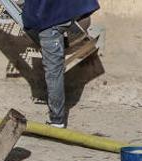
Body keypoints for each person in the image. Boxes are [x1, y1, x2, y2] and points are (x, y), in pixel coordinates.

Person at [22, 0, 99, 128]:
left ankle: (57, 121)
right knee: (56, 58)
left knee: (53, 72)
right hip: (79, 12)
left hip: (49, 20)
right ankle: (60, 48)